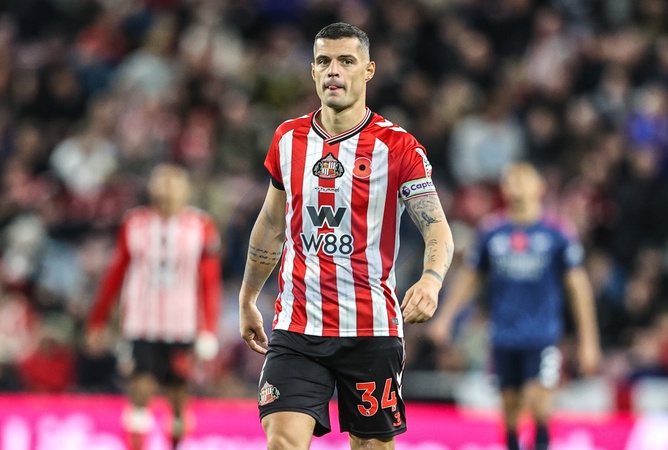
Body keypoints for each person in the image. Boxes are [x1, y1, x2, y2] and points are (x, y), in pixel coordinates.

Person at [238, 22, 455, 450]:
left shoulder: (397, 146)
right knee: (282, 442)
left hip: (371, 329)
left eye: (346, 61)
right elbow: (271, 223)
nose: (333, 70)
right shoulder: (288, 139)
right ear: (313, 71)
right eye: (323, 61)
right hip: (297, 326)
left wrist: (431, 281)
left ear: (368, 70)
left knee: (371, 446)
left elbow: (437, 227)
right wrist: (247, 299)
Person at [429, 162, 600, 450]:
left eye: (524, 179)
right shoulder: (492, 232)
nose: (517, 184)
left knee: (538, 400)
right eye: (511, 180)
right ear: (504, 189)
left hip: (542, 336)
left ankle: (541, 443)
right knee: (510, 408)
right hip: (503, 335)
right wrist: (445, 317)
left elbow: (578, 288)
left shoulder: (557, 233)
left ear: (539, 187)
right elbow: (470, 277)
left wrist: (589, 342)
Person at [86, 163, 222, 450]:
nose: (167, 189)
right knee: (140, 389)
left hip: (182, 325)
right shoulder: (134, 223)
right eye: (161, 182)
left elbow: (209, 281)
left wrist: (209, 328)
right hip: (142, 323)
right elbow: (116, 273)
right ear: (151, 187)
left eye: (173, 183)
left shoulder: (201, 226)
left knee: (177, 398)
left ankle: (176, 440)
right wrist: (98, 320)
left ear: (185, 189)